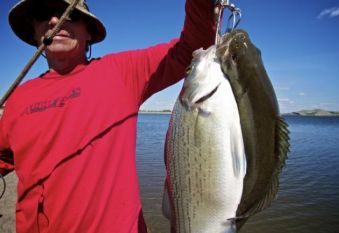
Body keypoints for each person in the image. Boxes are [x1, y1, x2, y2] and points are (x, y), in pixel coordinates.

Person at [0, 0, 217, 232]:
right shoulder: (17, 99)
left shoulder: (121, 73)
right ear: (34, 32)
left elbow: (193, 49)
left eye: (69, 15)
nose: (54, 20)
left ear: (89, 33)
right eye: (43, 13)